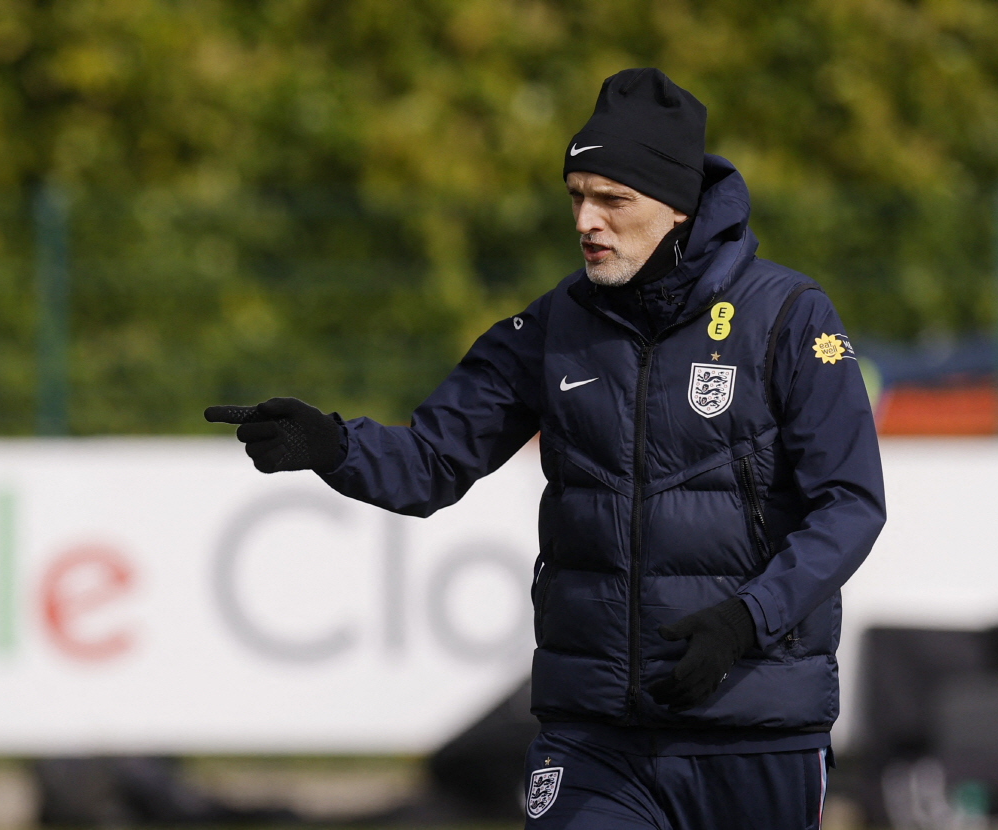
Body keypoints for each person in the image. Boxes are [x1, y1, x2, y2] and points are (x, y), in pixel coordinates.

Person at [206, 68, 885, 830]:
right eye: (576, 196)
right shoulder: (554, 326)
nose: (586, 221)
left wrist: (743, 622)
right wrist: (333, 445)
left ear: (676, 208)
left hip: (752, 728)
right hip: (592, 735)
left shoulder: (789, 318)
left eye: (611, 199)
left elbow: (850, 505)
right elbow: (432, 461)